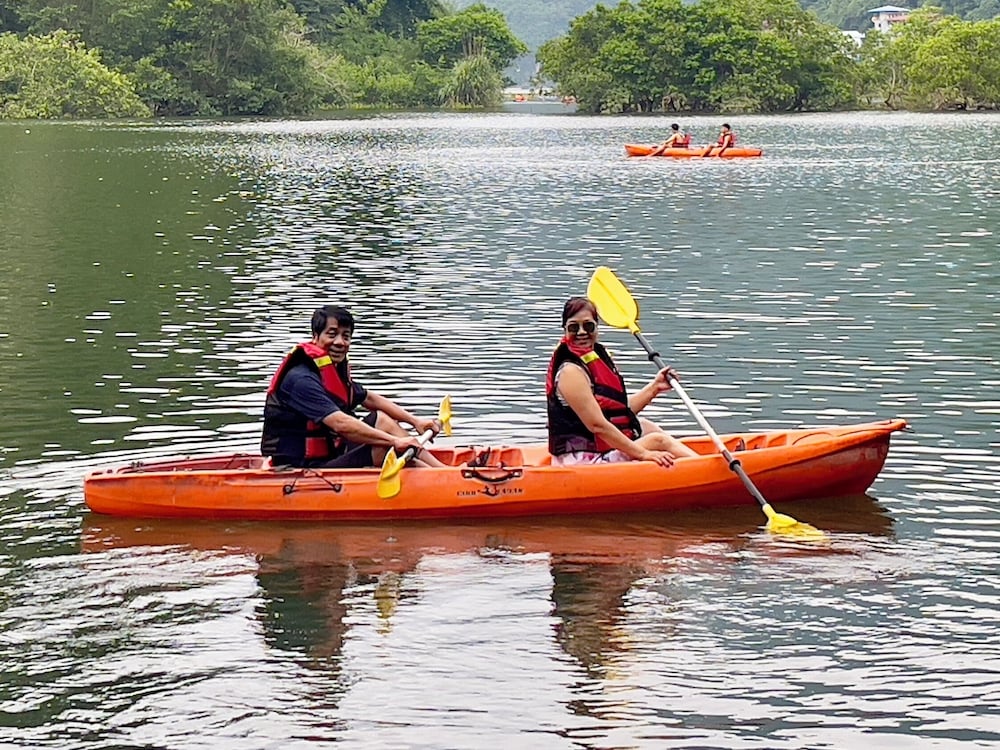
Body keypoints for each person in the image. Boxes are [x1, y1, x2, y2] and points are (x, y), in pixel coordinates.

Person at [261, 305, 445, 469]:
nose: (340, 342)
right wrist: (395, 441)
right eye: (332, 334)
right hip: (302, 467)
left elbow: (369, 398)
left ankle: (442, 471)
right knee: (388, 450)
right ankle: (444, 477)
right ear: (315, 336)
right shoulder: (300, 379)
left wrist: (415, 421)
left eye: (346, 336)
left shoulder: (330, 370)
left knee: (381, 419)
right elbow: (341, 424)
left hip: (332, 453)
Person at [545, 297, 698, 467]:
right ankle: (706, 468)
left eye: (588, 326)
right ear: (565, 330)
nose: (581, 332)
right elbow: (597, 425)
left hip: (599, 451)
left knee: (644, 426)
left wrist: (654, 388)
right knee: (658, 441)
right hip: (581, 462)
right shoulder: (570, 372)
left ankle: (697, 464)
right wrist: (644, 454)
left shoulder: (595, 360)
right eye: (574, 327)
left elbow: (619, 413)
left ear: (597, 327)